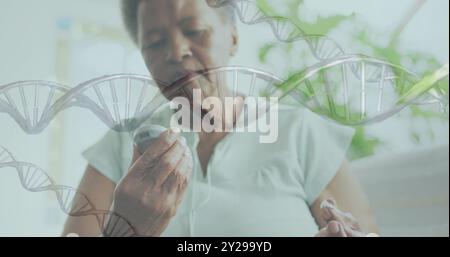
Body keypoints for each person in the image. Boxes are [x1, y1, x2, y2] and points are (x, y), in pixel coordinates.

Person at [63, 0, 378, 237]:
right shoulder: (121, 143)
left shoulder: (299, 132)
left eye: (195, 30)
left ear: (233, 36)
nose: (175, 51)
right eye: (155, 43)